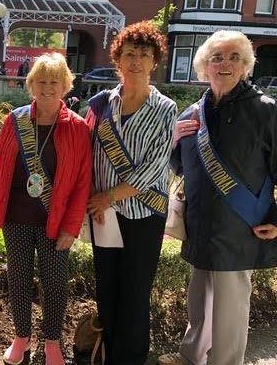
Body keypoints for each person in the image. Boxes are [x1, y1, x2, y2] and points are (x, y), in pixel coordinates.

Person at [157, 31, 277, 365]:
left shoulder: (267, 112)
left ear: (245, 65)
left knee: (230, 307)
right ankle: (192, 356)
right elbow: (180, 167)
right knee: (200, 297)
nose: (225, 64)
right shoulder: (191, 114)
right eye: (217, 57)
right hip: (200, 223)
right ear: (204, 66)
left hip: (240, 228)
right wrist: (172, 142)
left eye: (234, 57)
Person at [0, 52, 92, 365]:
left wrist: (72, 226)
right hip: (15, 217)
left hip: (55, 221)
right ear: (31, 85)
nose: (47, 87)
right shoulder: (14, 120)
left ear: (65, 86)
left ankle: (52, 341)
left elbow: (83, 182)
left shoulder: (78, 128)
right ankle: (22, 337)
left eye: (54, 81)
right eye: (41, 81)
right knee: (18, 279)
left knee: (55, 282)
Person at [85, 21, 177, 364]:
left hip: (144, 214)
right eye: (129, 54)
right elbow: (87, 154)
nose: (136, 61)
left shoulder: (165, 108)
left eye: (144, 54)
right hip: (103, 213)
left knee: (135, 293)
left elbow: (155, 166)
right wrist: (94, 197)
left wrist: (109, 196)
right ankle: (107, 353)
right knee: (107, 288)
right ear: (118, 60)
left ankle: (130, 358)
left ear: (155, 61)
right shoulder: (101, 104)